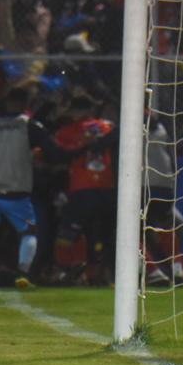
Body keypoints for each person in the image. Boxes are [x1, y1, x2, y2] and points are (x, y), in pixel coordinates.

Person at [0, 86, 73, 289]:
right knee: (29, 232)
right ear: (25, 104)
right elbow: (53, 151)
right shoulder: (28, 126)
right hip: (16, 193)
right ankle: (23, 273)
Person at [51, 95, 117, 286]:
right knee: (103, 234)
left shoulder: (66, 131)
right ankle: (101, 273)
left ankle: (64, 270)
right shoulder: (107, 126)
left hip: (81, 187)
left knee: (69, 232)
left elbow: (57, 155)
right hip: (106, 187)